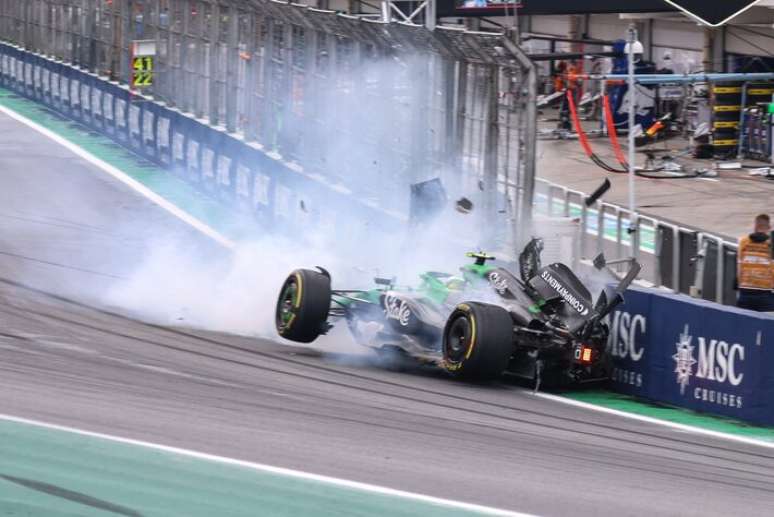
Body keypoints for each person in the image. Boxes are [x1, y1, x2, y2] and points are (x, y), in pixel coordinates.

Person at [737, 214, 774, 312]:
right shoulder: (771, 244)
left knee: (744, 319)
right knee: (767, 320)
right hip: (765, 292)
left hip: (745, 290)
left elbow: (739, 266)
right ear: (769, 227)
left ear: (755, 226)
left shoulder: (743, 241)